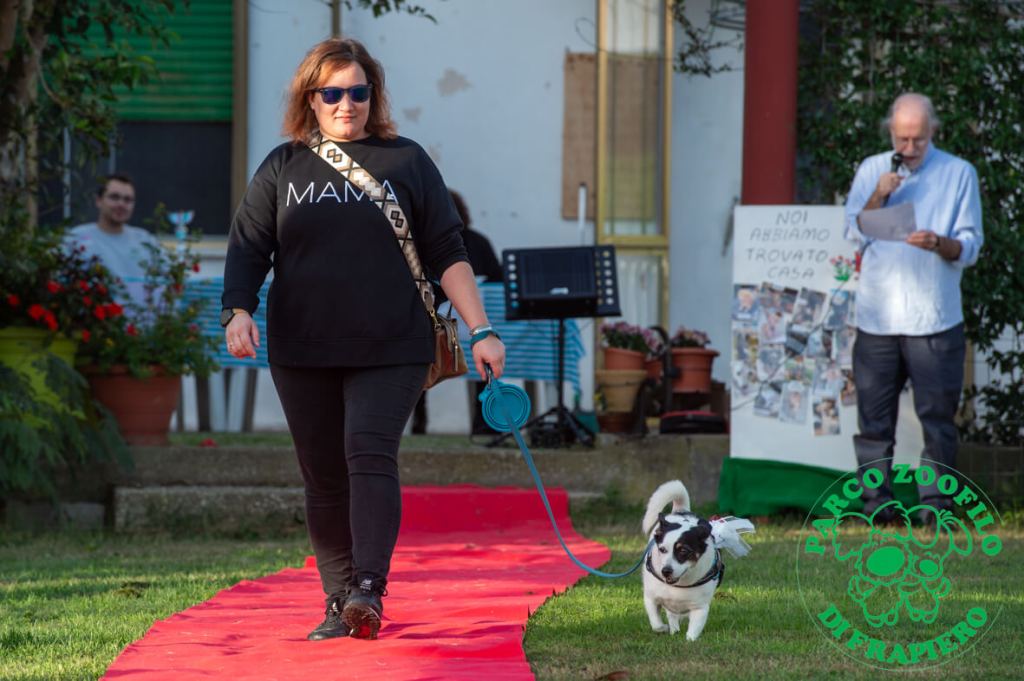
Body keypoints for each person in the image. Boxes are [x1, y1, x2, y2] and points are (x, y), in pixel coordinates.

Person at [220, 38, 506, 641]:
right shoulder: (283, 166)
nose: (345, 103)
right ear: (311, 98)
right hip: (302, 344)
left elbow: (448, 250)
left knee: (368, 452)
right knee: (323, 475)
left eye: (357, 91)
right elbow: (248, 245)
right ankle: (337, 600)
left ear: (373, 95)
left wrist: (481, 329)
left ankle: (369, 589)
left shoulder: (406, 161)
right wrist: (237, 310)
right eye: (331, 92)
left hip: (391, 341)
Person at [844, 93, 983, 525]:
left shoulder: (958, 173)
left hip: (934, 318)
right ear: (891, 133)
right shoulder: (872, 169)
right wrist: (877, 195)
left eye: (918, 139)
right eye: (902, 139)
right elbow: (851, 232)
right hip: (877, 319)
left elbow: (971, 244)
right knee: (873, 423)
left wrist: (939, 243)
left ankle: (935, 508)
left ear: (932, 132)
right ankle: (877, 508)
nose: (909, 148)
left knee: (937, 420)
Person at [411, 188, 503, 435]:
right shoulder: (478, 242)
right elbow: (498, 278)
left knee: (423, 365)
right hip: (470, 322)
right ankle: (483, 421)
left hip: (437, 321)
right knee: (482, 365)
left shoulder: (421, 244)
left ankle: (420, 421)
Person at [65, 174, 161, 311]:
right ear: (98, 201)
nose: (121, 204)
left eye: (128, 200)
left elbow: (168, 281)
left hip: (140, 321)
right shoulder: (76, 238)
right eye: (114, 197)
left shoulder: (146, 240)